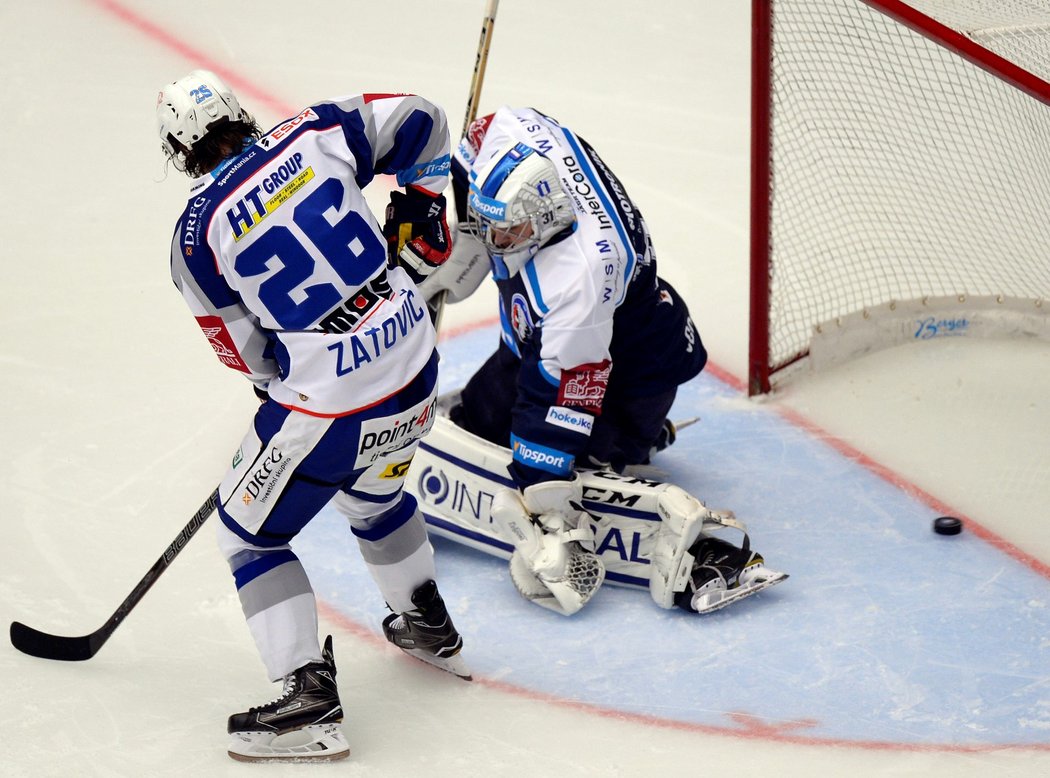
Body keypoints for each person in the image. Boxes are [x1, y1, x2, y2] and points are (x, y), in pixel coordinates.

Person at [158, 69, 469, 763]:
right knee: (375, 492)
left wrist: (292, 392)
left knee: (248, 537)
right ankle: (426, 620)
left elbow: (250, 356)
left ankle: (307, 700)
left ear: (180, 153)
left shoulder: (195, 236)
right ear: (239, 114)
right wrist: (422, 199)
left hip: (334, 404)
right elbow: (422, 117)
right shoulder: (315, 132)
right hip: (417, 366)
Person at [417, 106, 785, 615]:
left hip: (636, 357)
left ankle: (634, 441)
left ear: (543, 223)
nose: (497, 243)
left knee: (586, 456)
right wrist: (463, 227)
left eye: (505, 234)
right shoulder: (514, 134)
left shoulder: (580, 281)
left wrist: (544, 493)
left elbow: (561, 393)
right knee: (482, 415)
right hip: (552, 336)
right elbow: (481, 136)